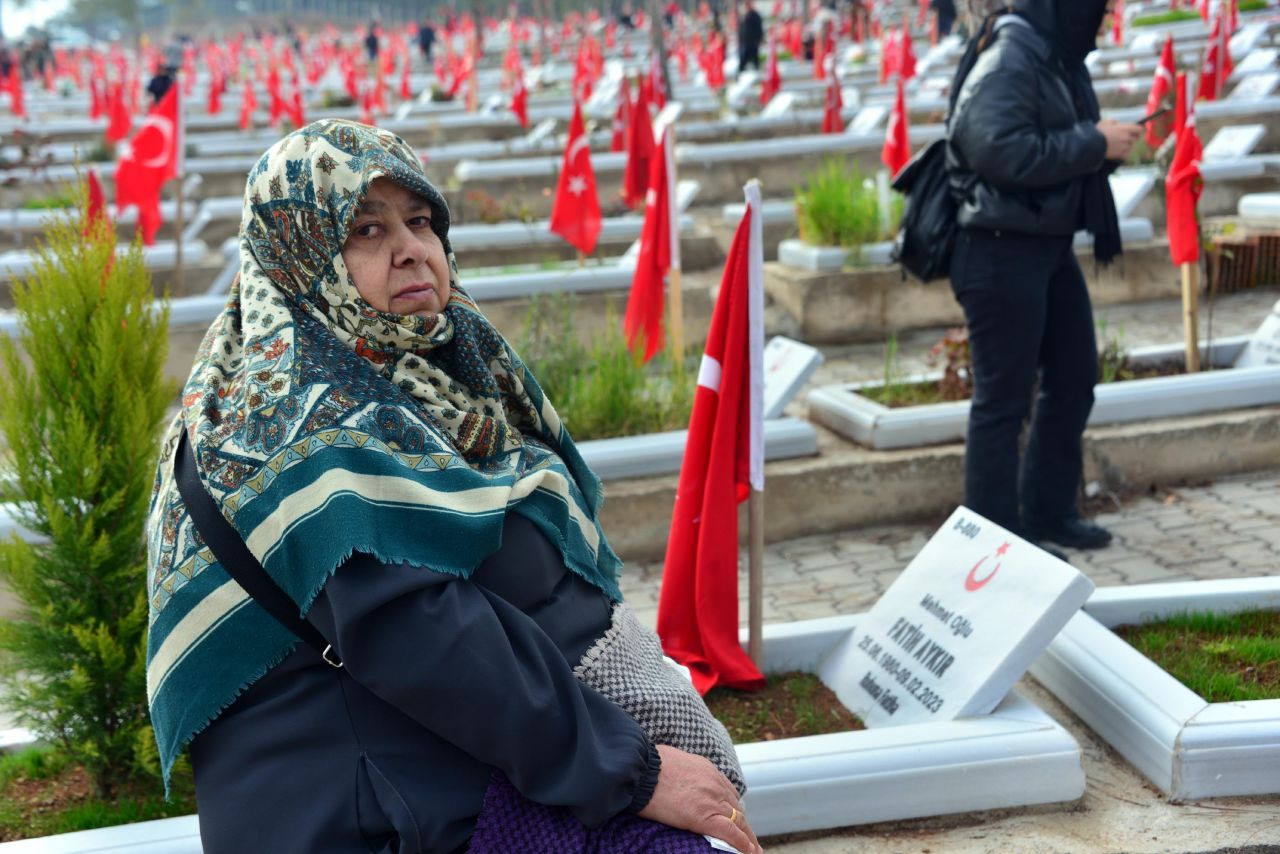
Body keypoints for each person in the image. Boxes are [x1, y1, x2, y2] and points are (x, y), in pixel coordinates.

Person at [143, 119, 764, 854]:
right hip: (378, 809)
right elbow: (422, 633)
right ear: (297, 254)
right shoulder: (289, 415)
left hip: (448, 765)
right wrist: (635, 772)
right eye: (366, 230)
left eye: (420, 220)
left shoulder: (416, 370)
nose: (410, 248)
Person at [944, 0, 1140, 552]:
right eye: (1093, 8)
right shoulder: (1012, 56)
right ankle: (990, 543)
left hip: (1043, 246)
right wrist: (1093, 142)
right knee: (1004, 401)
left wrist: (1103, 146)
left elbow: (1049, 140)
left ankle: (1047, 513)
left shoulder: (1051, 55)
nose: (1099, 18)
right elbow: (997, 149)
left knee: (1075, 376)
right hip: (999, 249)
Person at [737, 0, 764, 74]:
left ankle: (757, 74)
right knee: (742, 61)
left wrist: (759, 39)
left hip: (753, 42)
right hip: (745, 43)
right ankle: (741, 75)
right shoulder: (743, 15)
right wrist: (739, 41)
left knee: (755, 60)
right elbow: (741, 30)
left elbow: (759, 28)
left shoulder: (755, 15)